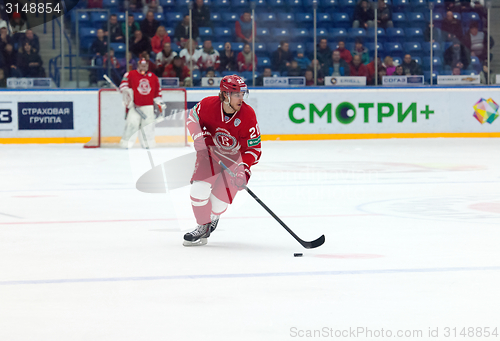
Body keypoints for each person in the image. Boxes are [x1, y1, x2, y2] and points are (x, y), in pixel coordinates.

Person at [183, 75, 261, 246]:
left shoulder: (248, 115)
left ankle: (213, 216)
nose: (241, 98)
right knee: (198, 191)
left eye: (242, 94)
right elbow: (192, 118)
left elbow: (254, 149)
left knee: (217, 205)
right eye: (237, 94)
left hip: (235, 161)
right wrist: (198, 137)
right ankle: (202, 227)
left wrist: (243, 168)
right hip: (209, 155)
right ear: (225, 95)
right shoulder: (208, 104)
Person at [119, 58, 166, 149]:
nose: (143, 67)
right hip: (134, 106)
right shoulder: (130, 74)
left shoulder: (153, 77)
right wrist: (127, 93)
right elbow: (123, 85)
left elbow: (158, 92)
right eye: (142, 65)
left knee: (148, 126)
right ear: (138, 65)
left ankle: (148, 144)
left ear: (148, 66)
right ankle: (126, 143)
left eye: (145, 65)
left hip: (148, 107)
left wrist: (159, 103)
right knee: (132, 124)